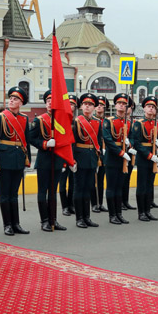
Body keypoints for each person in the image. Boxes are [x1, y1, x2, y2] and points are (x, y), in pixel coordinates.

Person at [0, 87, 32, 236]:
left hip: (19, 159)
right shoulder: (0, 117)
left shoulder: (24, 119)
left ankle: (16, 224)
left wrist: (27, 163)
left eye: (15, 99)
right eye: (11, 98)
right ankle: (7, 224)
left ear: (21, 103)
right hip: (4, 160)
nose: (11, 100)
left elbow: (26, 142)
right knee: (5, 194)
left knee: (14, 194)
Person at [29, 90, 67, 232]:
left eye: (53, 101)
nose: (51, 103)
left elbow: (65, 142)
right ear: (45, 104)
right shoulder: (40, 120)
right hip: (44, 159)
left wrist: (64, 161)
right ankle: (44, 221)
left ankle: (53, 220)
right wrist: (45, 144)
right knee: (42, 191)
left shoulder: (61, 121)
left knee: (53, 192)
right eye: (48, 101)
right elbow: (31, 138)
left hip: (57, 160)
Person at [71, 92, 103, 228]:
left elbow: (99, 142)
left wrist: (98, 160)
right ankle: (79, 218)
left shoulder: (97, 122)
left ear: (94, 107)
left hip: (92, 159)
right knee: (79, 189)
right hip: (79, 158)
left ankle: (87, 217)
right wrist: (71, 160)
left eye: (90, 105)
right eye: (85, 104)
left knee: (89, 188)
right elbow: (72, 142)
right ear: (81, 106)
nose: (87, 107)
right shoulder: (76, 121)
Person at [102, 93, 133, 225]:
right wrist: (121, 152)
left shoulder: (128, 123)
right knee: (111, 187)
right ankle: (112, 215)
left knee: (120, 187)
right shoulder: (108, 121)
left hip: (123, 159)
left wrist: (129, 144)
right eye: (119, 103)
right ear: (115, 105)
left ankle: (119, 213)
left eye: (124, 104)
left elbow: (132, 138)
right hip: (113, 158)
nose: (122, 105)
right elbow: (108, 140)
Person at [130, 96, 158, 222]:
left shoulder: (156, 124)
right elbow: (137, 143)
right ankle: (141, 212)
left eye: (153, 107)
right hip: (144, 158)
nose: (151, 109)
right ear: (144, 108)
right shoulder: (138, 124)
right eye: (149, 106)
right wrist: (149, 155)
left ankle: (148, 210)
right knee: (142, 185)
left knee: (149, 185)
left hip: (153, 157)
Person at [59, 95, 78, 216]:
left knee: (72, 183)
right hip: (62, 156)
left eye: (72, 104)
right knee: (62, 183)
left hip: (73, 156)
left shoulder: (76, 122)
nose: (70, 106)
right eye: (68, 103)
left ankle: (71, 205)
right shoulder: (60, 120)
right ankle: (64, 206)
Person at [91, 95, 109, 213]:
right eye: (97, 105)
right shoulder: (91, 120)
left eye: (102, 105)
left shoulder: (107, 121)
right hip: (94, 152)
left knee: (101, 178)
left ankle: (100, 203)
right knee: (94, 179)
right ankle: (94, 203)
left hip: (105, 152)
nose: (99, 107)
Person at [121, 97, 137, 211]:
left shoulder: (132, 123)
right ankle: (119, 201)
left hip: (130, 153)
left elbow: (135, 137)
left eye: (130, 107)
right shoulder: (117, 121)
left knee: (127, 179)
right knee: (120, 179)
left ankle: (125, 201)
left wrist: (130, 145)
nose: (128, 109)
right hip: (120, 154)